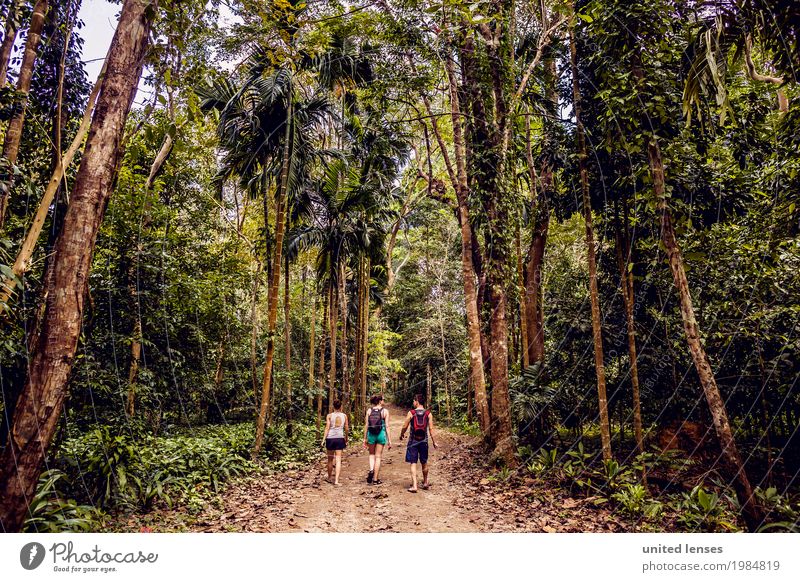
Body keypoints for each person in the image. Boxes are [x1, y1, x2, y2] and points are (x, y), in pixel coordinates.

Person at [399, 393, 437, 493]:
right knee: (424, 462)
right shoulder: (428, 413)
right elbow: (431, 429)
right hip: (424, 441)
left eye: (413, 401)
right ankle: (425, 482)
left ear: (416, 401)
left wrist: (401, 434)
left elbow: (405, 425)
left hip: (413, 441)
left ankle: (415, 486)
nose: (413, 402)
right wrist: (434, 442)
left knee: (413, 463)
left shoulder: (411, 413)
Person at [363, 394, 391, 484]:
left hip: (371, 434)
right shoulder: (385, 411)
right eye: (383, 399)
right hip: (380, 435)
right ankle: (375, 479)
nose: (384, 401)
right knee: (378, 456)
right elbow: (387, 426)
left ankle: (371, 469)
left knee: (371, 454)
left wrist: (365, 438)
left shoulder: (369, 411)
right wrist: (389, 440)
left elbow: (366, 425)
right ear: (379, 401)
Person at [322, 400, 348, 485]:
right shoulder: (344, 416)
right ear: (341, 407)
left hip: (330, 439)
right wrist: (346, 438)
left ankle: (329, 478)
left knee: (330, 460)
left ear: (333, 406)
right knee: (338, 459)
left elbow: (327, 428)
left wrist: (323, 440)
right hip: (340, 438)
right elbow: (346, 429)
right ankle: (336, 481)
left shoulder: (329, 416)